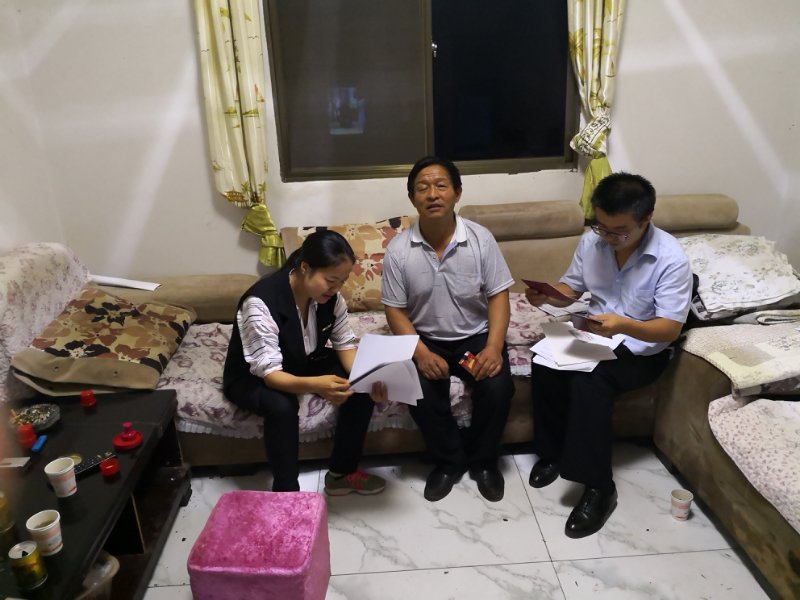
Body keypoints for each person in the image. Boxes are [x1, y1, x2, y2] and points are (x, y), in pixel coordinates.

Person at [525, 172, 692, 538]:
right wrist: (548, 295)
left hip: (642, 350)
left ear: (646, 219)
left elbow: (669, 329)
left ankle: (600, 487)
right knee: (544, 362)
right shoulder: (592, 241)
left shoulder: (671, 258)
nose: (609, 237)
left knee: (591, 381)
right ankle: (552, 453)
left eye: (620, 231)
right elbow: (572, 288)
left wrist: (623, 325)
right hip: (596, 335)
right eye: (602, 227)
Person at [381, 156, 515, 502]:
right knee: (417, 391)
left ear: (457, 193)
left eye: (441, 186)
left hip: (476, 336)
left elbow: (498, 296)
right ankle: (449, 462)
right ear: (412, 198)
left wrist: (493, 347)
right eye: (422, 188)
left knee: (498, 388)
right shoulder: (398, 250)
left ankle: (484, 462)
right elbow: (394, 310)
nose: (432, 194)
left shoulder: (481, 240)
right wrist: (420, 353)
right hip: (426, 338)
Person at [223, 230, 387, 495]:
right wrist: (318, 385)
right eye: (330, 280)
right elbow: (271, 376)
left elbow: (345, 345)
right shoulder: (261, 302)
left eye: (342, 281)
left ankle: (342, 473)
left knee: (358, 384)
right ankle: (287, 493)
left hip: (301, 360)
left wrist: (369, 379)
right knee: (282, 406)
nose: (336, 289)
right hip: (253, 376)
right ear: (305, 267)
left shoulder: (331, 299)